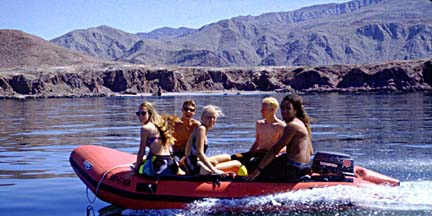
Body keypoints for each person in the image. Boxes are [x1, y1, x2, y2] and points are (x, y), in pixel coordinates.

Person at [246, 94, 314, 181]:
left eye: (288, 108)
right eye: (282, 108)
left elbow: (275, 150)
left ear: (295, 110)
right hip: (304, 167)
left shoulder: (291, 126)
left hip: (293, 170)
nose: (284, 111)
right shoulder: (301, 124)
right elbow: (311, 151)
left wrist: (258, 170)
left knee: (253, 163)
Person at [182, 105, 242, 176]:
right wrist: (215, 171)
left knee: (227, 157)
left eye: (214, 117)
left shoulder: (201, 128)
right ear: (202, 118)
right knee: (237, 164)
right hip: (194, 166)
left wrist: (209, 161)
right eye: (208, 117)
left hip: (193, 161)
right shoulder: (201, 129)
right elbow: (199, 153)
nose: (211, 120)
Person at [231, 97, 286, 171]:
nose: (261, 111)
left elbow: (286, 145)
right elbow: (257, 142)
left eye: (264, 110)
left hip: (269, 156)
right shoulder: (259, 124)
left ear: (272, 110)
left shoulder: (281, 126)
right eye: (261, 109)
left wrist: (277, 152)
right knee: (235, 157)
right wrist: (248, 154)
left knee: (252, 163)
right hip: (259, 153)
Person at [134, 101, 178, 177]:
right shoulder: (161, 125)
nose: (140, 116)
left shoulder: (145, 128)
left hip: (159, 166)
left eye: (143, 113)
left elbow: (141, 151)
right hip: (171, 163)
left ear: (150, 114)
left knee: (139, 169)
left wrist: (135, 170)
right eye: (138, 113)